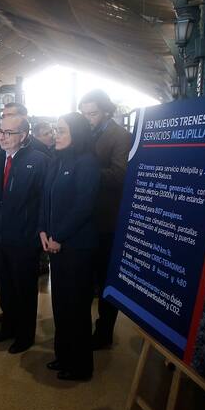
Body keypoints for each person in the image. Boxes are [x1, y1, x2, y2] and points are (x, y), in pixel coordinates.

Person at [39, 112, 100, 381]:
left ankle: (80, 365)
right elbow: (45, 198)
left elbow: (84, 206)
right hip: (55, 245)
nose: (56, 135)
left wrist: (59, 236)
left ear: (77, 132)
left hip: (77, 247)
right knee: (60, 304)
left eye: (62, 130)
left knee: (76, 307)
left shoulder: (88, 163)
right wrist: (42, 229)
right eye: (55, 129)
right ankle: (63, 355)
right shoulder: (56, 160)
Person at [0, 112, 48, 353]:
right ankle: (9, 327)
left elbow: (45, 201)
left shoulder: (39, 161)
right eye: (1, 131)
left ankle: (25, 335)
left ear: (23, 135)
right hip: (0, 237)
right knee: (5, 287)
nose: (2, 137)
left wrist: (39, 233)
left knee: (24, 290)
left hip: (24, 239)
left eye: (9, 132)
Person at [78, 90, 131, 349]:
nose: (88, 118)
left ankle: (104, 331)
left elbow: (121, 175)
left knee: (105, 278)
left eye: (93, 113)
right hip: (87, 218)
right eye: (85, 113)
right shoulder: (89, 132)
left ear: (106, 111)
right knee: (87, 278)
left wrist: (87, 173)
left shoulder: (119, 136)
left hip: (107, 220)